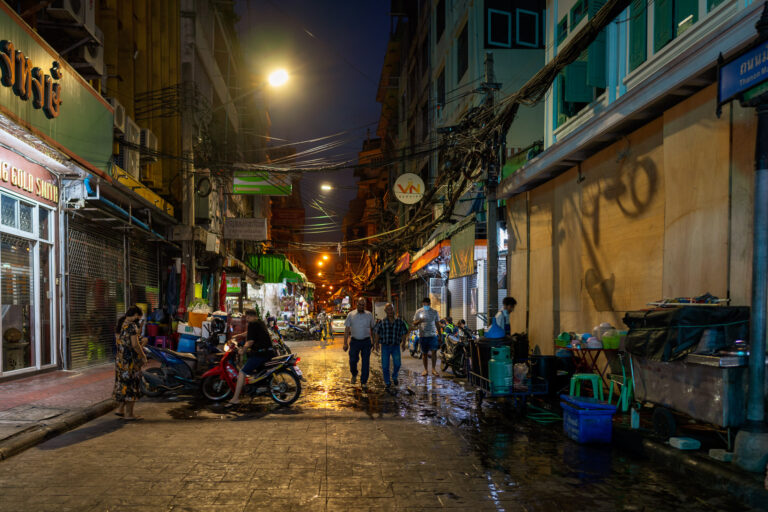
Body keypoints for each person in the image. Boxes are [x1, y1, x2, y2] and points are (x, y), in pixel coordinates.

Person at [226, 309, 274, 406]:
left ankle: (235, 398)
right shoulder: (259, 322)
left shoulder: (253, 324)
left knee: (242, 372)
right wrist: (238, 336)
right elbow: (249, 333)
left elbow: (250, 341)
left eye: (247, 317)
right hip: (268, 352)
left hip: (261, 354)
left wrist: (242, 350)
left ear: (249, 316)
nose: (246, 320)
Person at [113, 306, 147, 420]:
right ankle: (129, 414)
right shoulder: (131, 326)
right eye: (139, 317)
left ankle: (120, 409)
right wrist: (143, 356)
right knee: (131, 385)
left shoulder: (121, 323)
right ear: (136, 314)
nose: (139, 319)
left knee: (122, 384)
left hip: (120, 360)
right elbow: (135, 345)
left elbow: (120, 341)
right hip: (130, 361)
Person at [373, 303, 409, 390]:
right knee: (385, 366)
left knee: (397, 364)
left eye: (391, 309)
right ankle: (387, 382)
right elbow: (377, 333)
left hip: (395, 346)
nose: (390, 311)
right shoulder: (381, 322)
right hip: (385, 346)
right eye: (388, 309)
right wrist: (376, 344)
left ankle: (394, 376)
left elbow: (404, 333)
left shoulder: (400, 321)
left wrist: (403, 343)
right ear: (385, 311)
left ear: (393, 310)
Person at [343, 297, 375, 390]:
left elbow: (373, 328)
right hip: (354, 341)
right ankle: (354, 373)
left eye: (363, 305)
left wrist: (373, 340)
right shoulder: (351, 314)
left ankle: (363, 382)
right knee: (352, 360)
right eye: (360, 304)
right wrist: (345, 343)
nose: (361, 306)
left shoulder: (369, 315)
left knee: (366, 362)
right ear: (356, 304)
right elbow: (346, 330)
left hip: (366, 341)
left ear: (365, 305)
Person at [412, 297, 441, 377]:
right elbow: (414, 323)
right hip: (423, 336)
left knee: (434, 352)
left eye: (427, 304)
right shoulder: (418, 311)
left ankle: (433, 369)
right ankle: (425, 370)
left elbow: (437, 324)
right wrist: (419, 321)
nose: (426, 305)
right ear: (422, 304)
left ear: (429, 304)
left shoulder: (434, 312)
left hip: (433, 335)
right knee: (424, 353)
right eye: (424, 304)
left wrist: (440, 335)